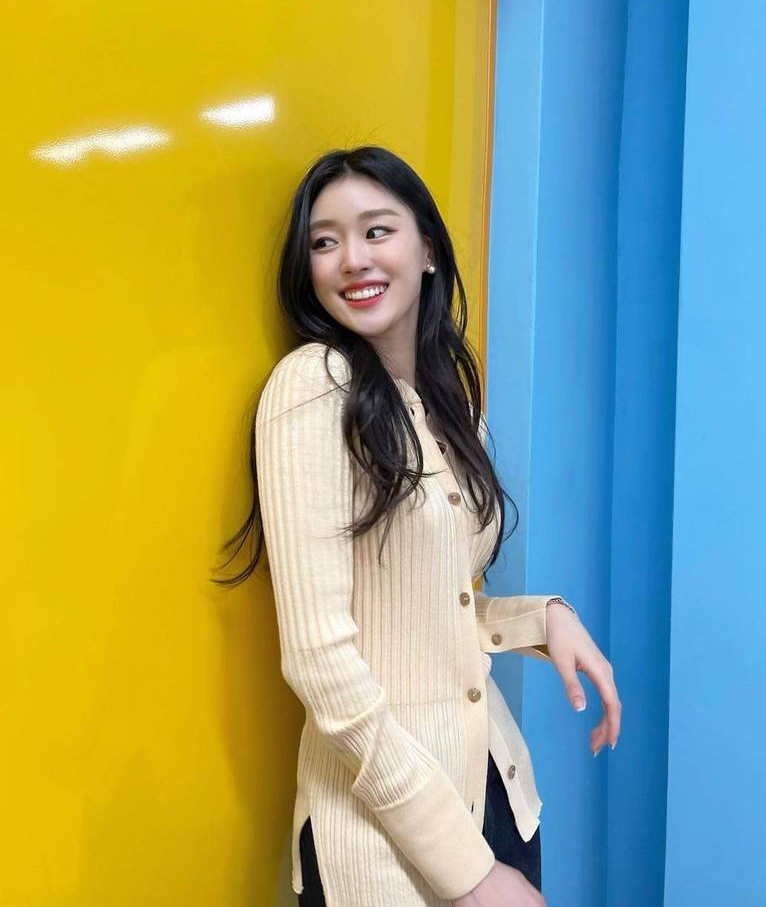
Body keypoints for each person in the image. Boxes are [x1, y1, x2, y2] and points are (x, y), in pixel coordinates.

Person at [213, 146, 622, 906]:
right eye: (325, 241)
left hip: (497, 798)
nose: (352, 259)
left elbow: (428, 607)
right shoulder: (312, 387)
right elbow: (321, 661)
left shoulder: (448, 406)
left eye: (377, 231)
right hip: (386, 846)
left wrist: (543, 618)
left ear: (427, 248)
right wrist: (469, 873)